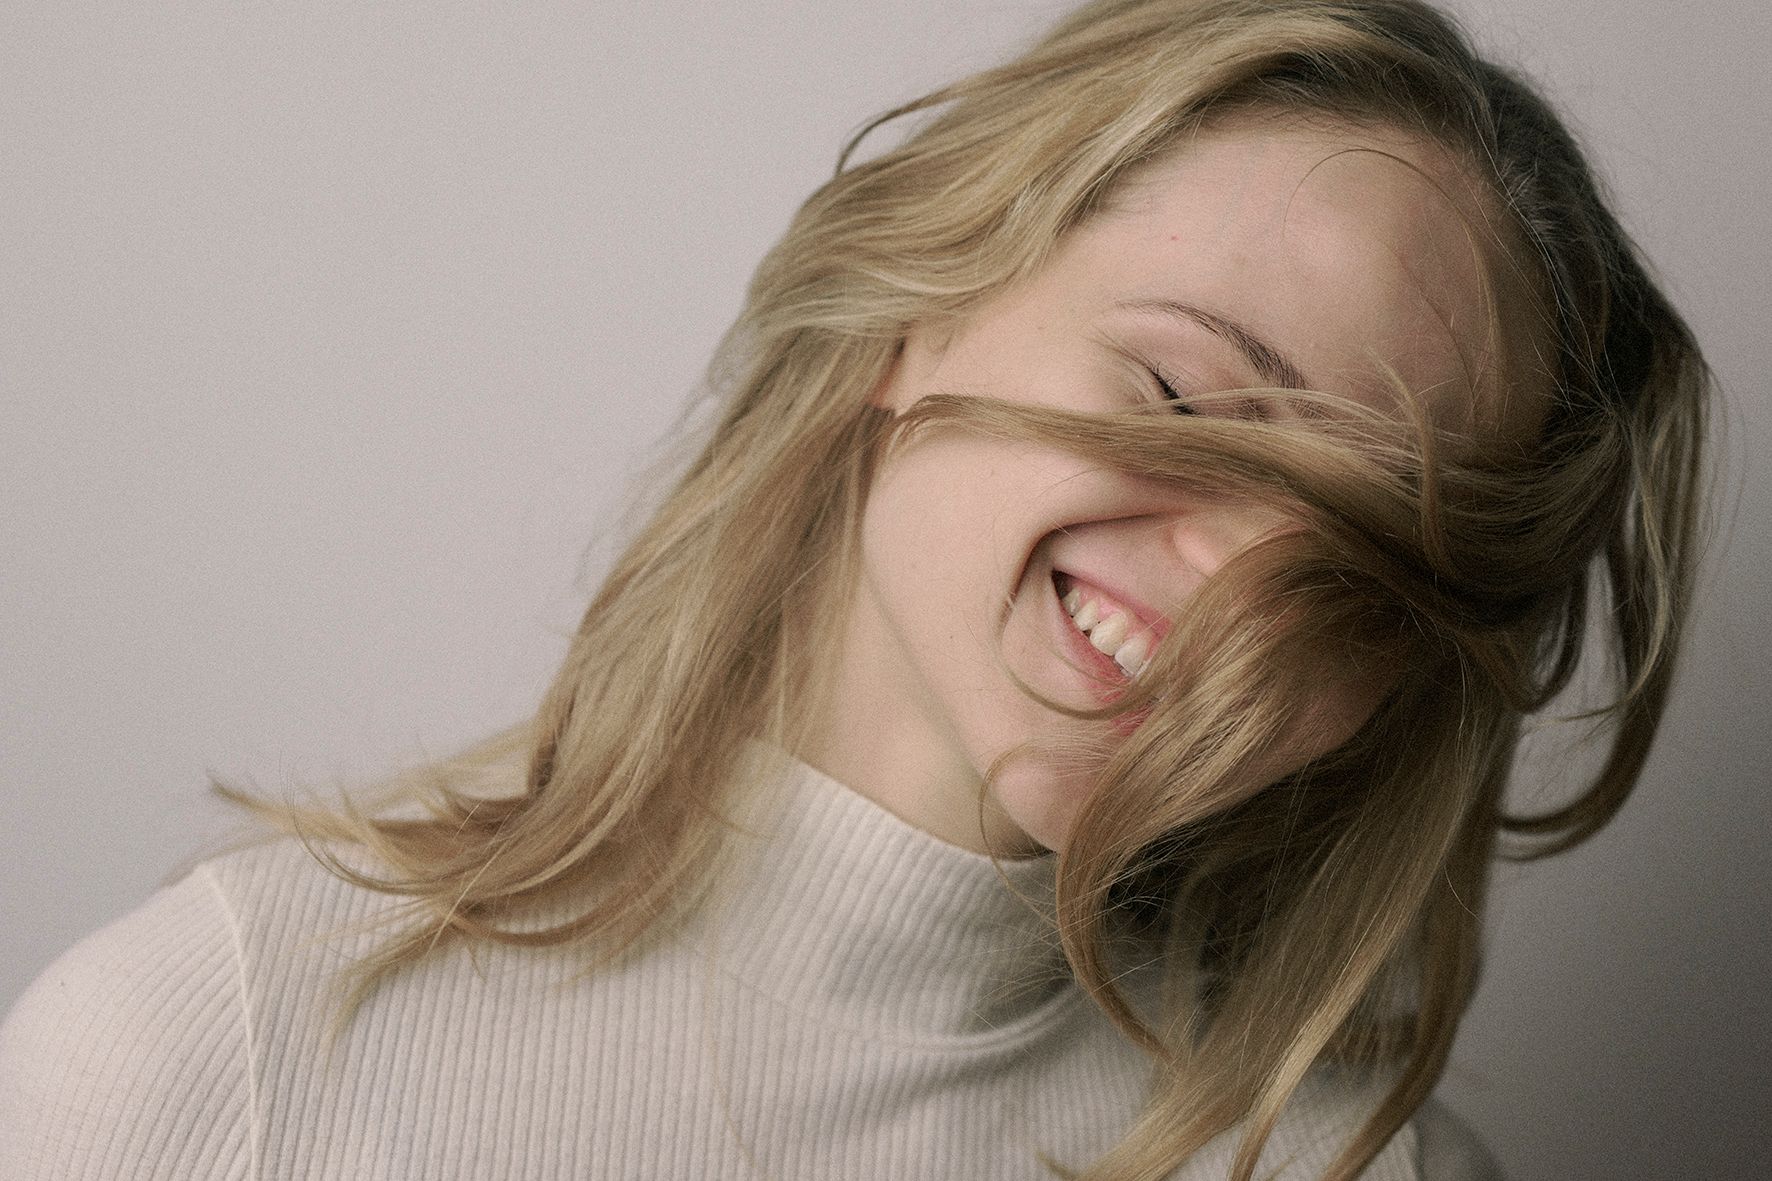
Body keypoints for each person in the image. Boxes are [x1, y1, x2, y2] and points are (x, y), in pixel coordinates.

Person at [0, 0, 1709, 1177]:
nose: (1246, 587)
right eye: (1183, 396)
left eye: (1370, 564)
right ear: (917, 300)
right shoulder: (224, 1054)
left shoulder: (1358, 1169)